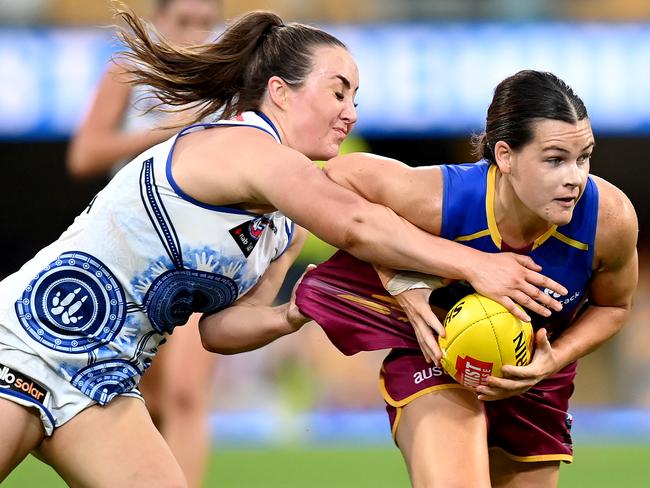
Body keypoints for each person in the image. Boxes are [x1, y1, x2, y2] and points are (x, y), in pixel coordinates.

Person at [0, 6, 566, 484]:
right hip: (23, 342)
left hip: (104, 381)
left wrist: (295, 312)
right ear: (280, 93)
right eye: (337, 91)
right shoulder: (243, 145)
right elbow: (357, 225)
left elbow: (221, 331)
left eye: (356, 98)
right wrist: (477, 265)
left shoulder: (280, 225)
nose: (351, 112)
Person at [203, 71, 638, 488]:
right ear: (504, 156)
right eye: (555, 160)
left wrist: (553, 359)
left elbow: (614, 306)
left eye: (584, 157)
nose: (575, 178)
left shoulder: (608, 219)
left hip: (532, 371)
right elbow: (337, 179)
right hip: (434, 351)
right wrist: (404, 282)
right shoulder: (445, 199)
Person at [66, 2, 221, 486]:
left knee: (185, 394)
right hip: (134, 245)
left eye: (204, 21)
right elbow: (84, 155)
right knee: (142, 398)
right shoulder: (130, 69)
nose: (195, 32)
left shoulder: (226, 73)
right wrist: (165, 133)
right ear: (160, 19)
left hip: (205, 246)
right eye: (184, 20)